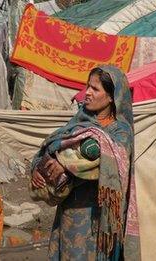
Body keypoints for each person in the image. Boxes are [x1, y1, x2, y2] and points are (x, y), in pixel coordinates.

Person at [30, 65, 137, 260]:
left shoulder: (120, 132)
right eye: (87, 86)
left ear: (112, 96)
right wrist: (38, 167)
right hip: (69, 211)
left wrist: (65, 165)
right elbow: (51, 146)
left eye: (95, 89)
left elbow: (104, 164)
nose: (87, 93)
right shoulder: (79, 121)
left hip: (97, 217)